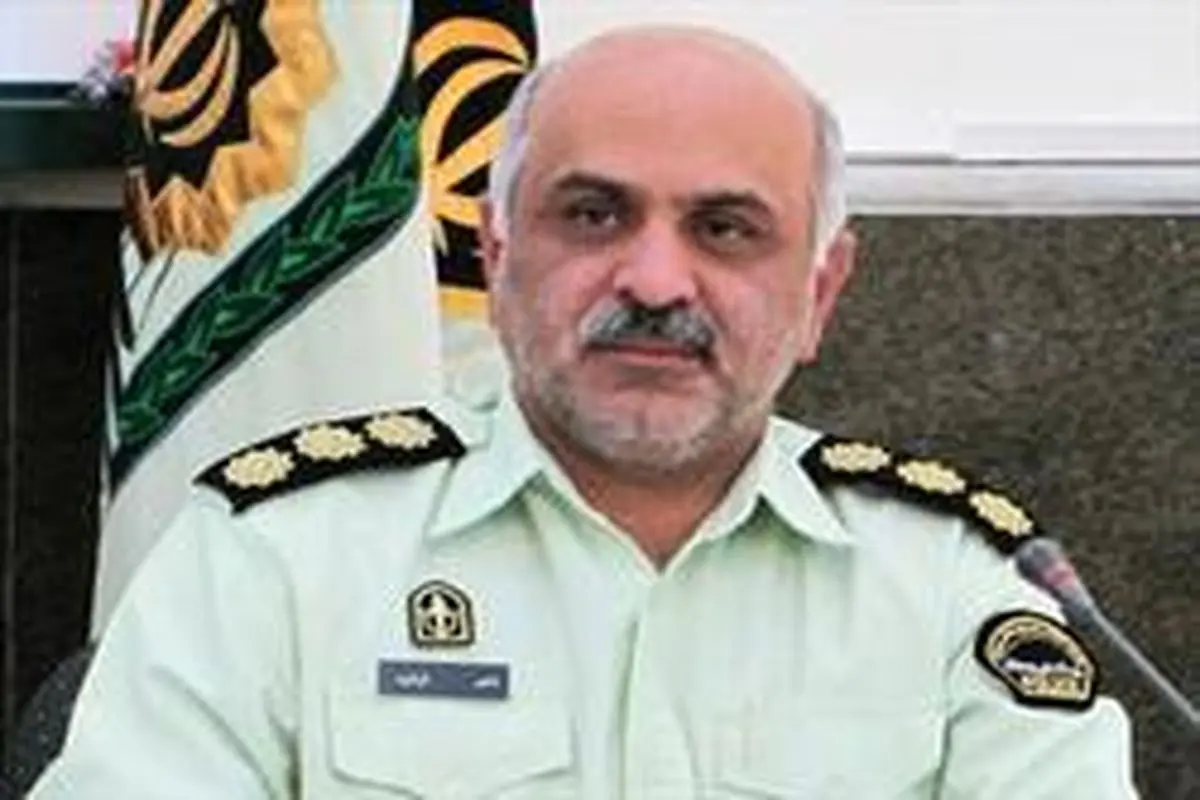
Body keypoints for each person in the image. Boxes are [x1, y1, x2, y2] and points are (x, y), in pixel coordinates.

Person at [31, 25, 1136, 799]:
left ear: (821, 291)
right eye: (595, 215)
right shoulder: (277, 552)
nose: (654, 280)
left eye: (726, 229)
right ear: (498, 255)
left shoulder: (955, 582)